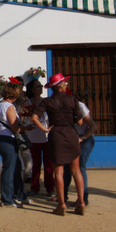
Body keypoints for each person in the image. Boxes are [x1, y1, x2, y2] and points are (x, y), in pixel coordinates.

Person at [31, 73, 86, 216]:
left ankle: (61, 204)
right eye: (65, 83)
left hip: (56, 135)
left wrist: (44, 129)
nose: (66, 85)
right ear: (61, 85)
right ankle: (81, 202)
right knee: (76, 170)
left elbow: (34, 117)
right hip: (71, 134)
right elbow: (80, 122)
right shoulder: (72, 99)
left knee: (58, 171)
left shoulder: (47, 101)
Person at [0, 80, 32, 208]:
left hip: (0, 138)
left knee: (15, 169)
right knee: (10, 170)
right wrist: (27, 127)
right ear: (14, 94)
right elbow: (15, 128)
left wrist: (19, 115)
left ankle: (19, 195)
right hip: (7, 139)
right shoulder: (9, 107)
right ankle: (7, 199)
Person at [63, 91, 98, 206]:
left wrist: (82, 138)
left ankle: (83, 197)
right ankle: (63, 196)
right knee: (66, 168)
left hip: (85, 139)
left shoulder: (80, 106)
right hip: (71, 140)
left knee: (80, 166)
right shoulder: (61, 106)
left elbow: (93, 126)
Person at [24, 79, 55, 198]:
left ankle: (50, 187)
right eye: (38, 86)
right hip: (34, 135)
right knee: (35, 164)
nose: (40, 88)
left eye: (41, 86)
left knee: (48, 164)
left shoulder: (46, 101)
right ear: (32, 89)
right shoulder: (27, 102)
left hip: (46, 136)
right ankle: (34, 186)